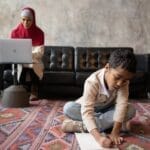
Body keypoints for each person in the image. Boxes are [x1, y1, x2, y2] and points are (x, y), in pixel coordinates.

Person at [62, 49, 137, 148]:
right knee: (68, 108)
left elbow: (121, 105)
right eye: (117, 77)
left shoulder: (124, 82)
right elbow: (87, 112)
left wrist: (115, 132)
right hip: (91, 109)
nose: (120, 83)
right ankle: (110, 125)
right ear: (107, 67)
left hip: (108, 108)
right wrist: (99, 138)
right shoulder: (92, 81)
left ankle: (81, 126)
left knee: (131, 109)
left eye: (124, 80)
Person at [10, 7, 45, 100]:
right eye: (23, 20)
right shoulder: (15, 32)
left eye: (29, 20)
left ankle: (34, 91)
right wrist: (22, 55)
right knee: (21, 65)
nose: (26, 22)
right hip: (20, 59)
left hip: (33, 59)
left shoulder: (39, 33)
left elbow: (40, 52)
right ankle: (22, 90)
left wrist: (27, 54)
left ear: (33, 20)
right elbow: (13, 50)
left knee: (32, 64)